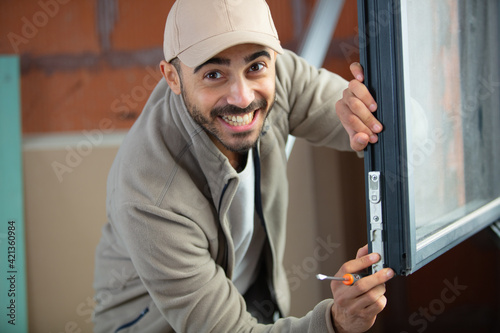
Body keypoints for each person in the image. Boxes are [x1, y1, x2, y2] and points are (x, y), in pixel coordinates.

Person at [93, 0, 393, 332]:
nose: (242, 96)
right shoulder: (150, 195)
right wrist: (334, 323)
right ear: (173, 78)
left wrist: (373, 113)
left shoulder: (282, 78)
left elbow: (408, 133)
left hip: (246, 297)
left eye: (255, 67)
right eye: (213, 74)